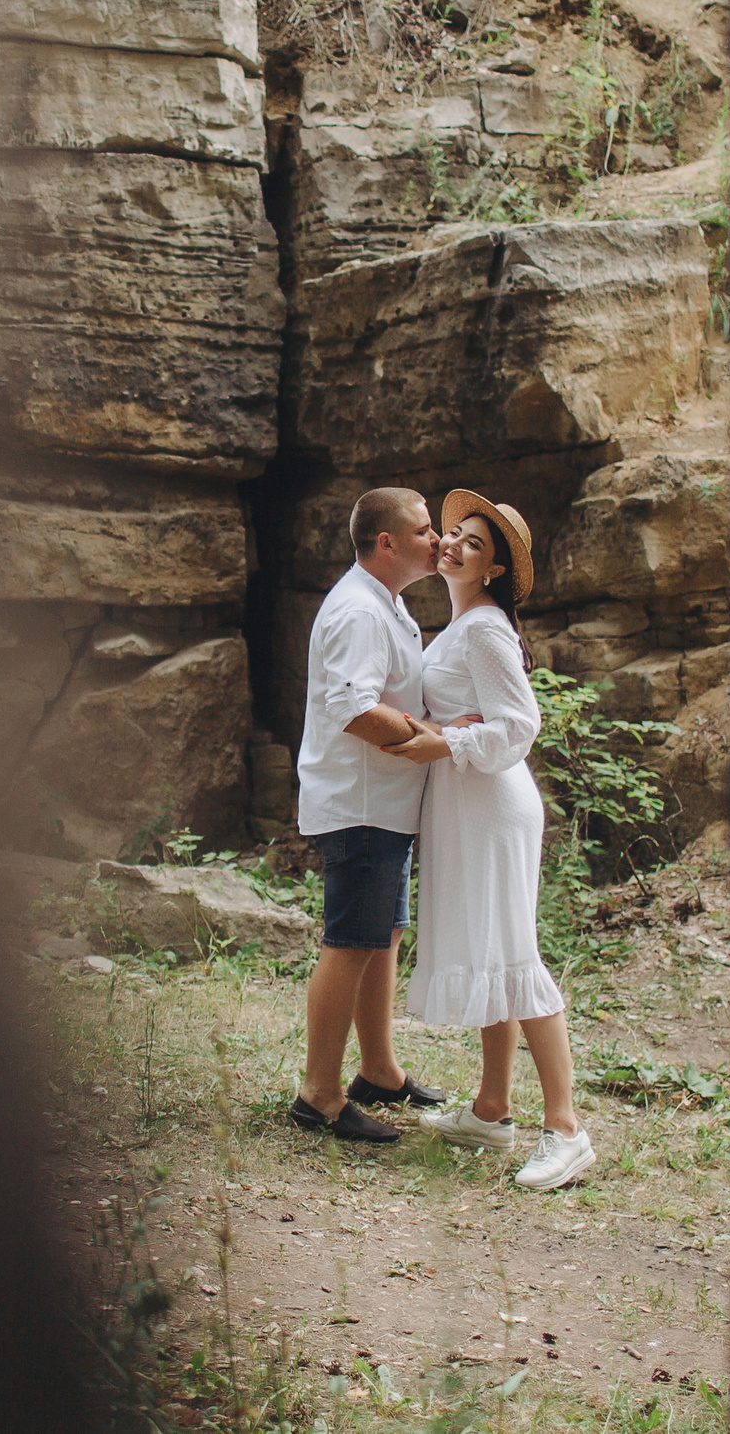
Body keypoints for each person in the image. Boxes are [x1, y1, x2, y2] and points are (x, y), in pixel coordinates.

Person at [385, 489, 595, 1191]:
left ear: (495, 569)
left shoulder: (485, 630)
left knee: (514, 954)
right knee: (490, 954)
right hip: (464, 803)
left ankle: (566, 1128)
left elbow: (519, 724)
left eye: (473, 542)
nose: (452, 545)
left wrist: (447, 737)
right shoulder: (459, 627)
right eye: (452, 534)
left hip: (495, 807)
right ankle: (492, 1108)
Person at [289, 486, 453, 1142]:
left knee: (381, 933)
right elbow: (352, 709)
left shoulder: (389, 603)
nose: (437, 539)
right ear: (386, 542)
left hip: (385, 802)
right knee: (350, 939)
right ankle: (318, 1094)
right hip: (358, 804)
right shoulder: (358, 611)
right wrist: (431, 736)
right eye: (423, 530)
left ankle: (379, 1070)